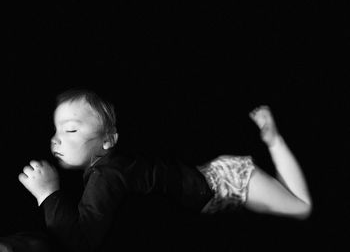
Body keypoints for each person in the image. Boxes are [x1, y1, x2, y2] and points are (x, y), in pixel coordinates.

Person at [2, 89, 312, 252]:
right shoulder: (106, 171)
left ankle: (274, 140)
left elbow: (82, 239)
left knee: (301, 208)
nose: (56, 138)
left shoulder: (106, 175)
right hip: (211, 184)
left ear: (108, 141)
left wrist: (48, 193)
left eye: (70, 130)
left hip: (227, 182)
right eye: (56, 130)